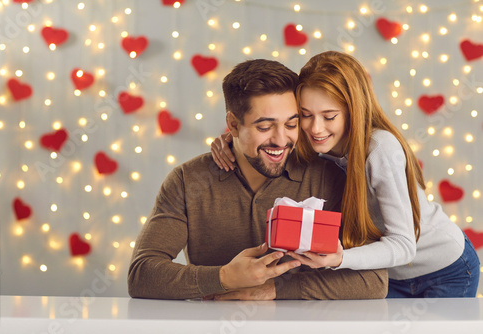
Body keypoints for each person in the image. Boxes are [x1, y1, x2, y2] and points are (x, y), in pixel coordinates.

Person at [211, 51, 480, 298]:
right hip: (387, 274)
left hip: (445, 269)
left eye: (329, 117)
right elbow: (270, 141)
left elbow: (404, 246)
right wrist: (230, 140)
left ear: (353, 111)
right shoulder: (309, 142)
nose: (316, 128)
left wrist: (339, 259)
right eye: (305, 115)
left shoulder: (379, 149)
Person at [128, 58, 388, 300]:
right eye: (264, 127)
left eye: (291, 124)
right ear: (233, 125)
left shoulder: (326, 178)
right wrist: (226, 278)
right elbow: (142, 275)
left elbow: (375, 280)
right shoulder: (188, 181)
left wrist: (273, 289)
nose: (280, 140)